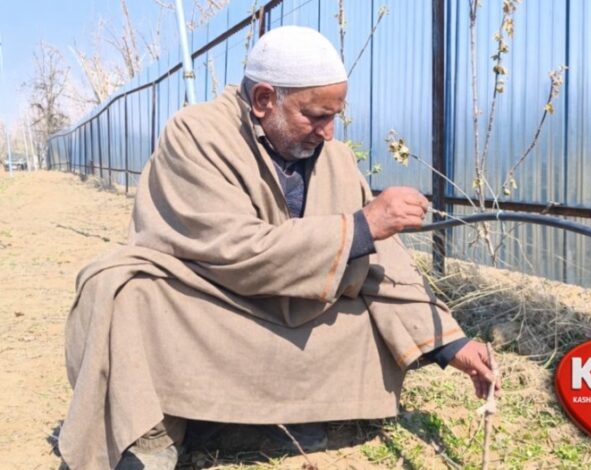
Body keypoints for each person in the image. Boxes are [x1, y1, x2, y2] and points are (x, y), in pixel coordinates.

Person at [59, 25, 498, 470]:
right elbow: (234, 249)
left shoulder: (336, 158)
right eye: (316, 116)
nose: (329, 133)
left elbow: (382, 258)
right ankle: (151, 432)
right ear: (264, 99)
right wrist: (360, 226)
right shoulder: (196, 135)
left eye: (335, 116)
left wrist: (450, 343)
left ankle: (280, 419)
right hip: (212, 310)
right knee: (122, 290)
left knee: (371, 316)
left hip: (294, 317)